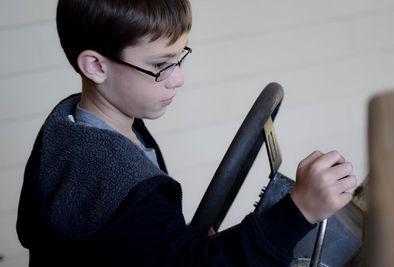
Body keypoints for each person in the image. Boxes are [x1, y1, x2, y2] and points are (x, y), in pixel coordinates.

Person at [16, 0, 357, 266]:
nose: (178, 78)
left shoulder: (71, 128)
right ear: (96, 66)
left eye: (179, 57)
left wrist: (184, 241)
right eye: (159, 65)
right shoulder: (115, 179)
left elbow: (153, 251)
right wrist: (299, 211)